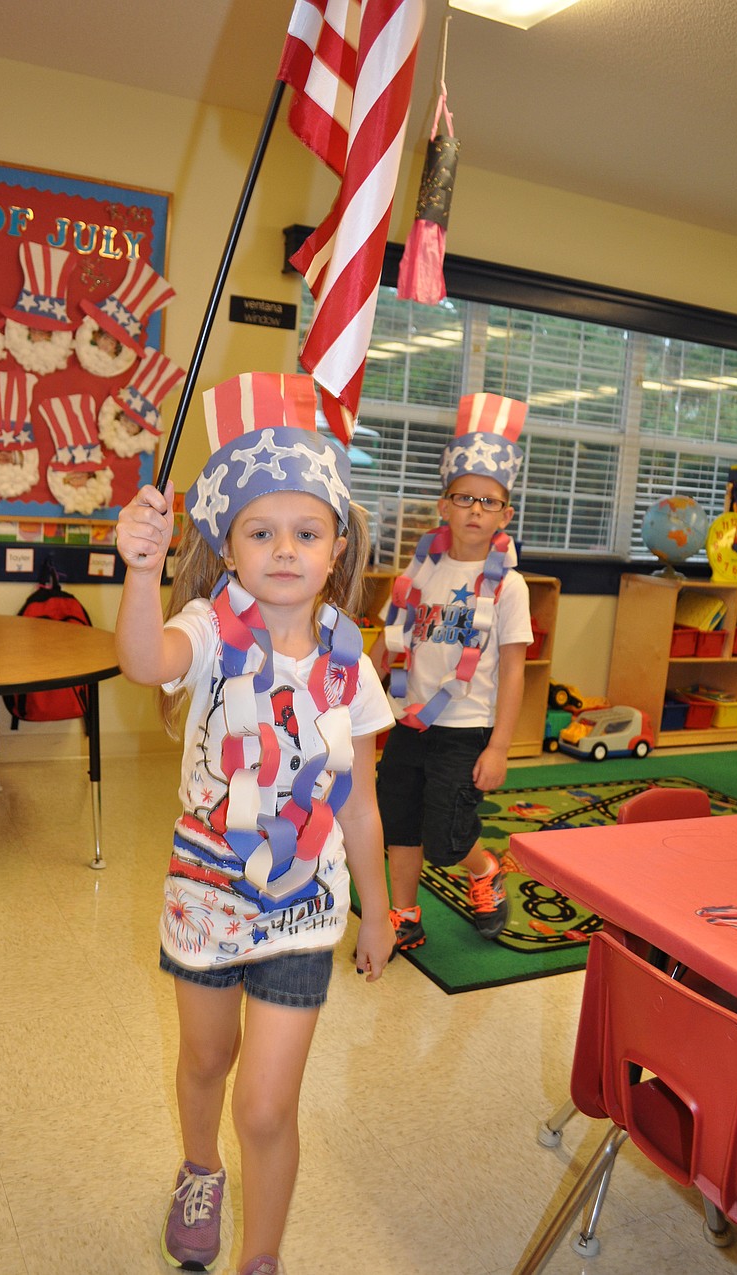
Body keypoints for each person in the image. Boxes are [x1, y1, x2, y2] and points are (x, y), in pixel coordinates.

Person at [114, 372, 395, 1275]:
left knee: (268, 1105)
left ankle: (261, 1258)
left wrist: (380, 910)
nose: (284, 549)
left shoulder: (352, 665)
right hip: (206, 893)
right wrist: (142, 570)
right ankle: (201, 1169)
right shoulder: (204, 626)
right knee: (207, 1058)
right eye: (261, 532)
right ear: (228, 546)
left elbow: (357, 801)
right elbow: (143, 657)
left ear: (336, 544)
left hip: (303, 908)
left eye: (306, 532)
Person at [372, 392, 534, 953]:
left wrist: (500, 748)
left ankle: (484, 866)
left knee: (446, 837)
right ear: (443, 506)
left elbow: (513, 671)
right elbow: (389, 641)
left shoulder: (510, 586)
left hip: (466, 730)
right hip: (410, 724)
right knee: (400, 825)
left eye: (488, 502)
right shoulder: (420, 572)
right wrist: (364, 695)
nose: (474, 510)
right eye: (463, 498)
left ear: (505, 516)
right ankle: (404, 914)